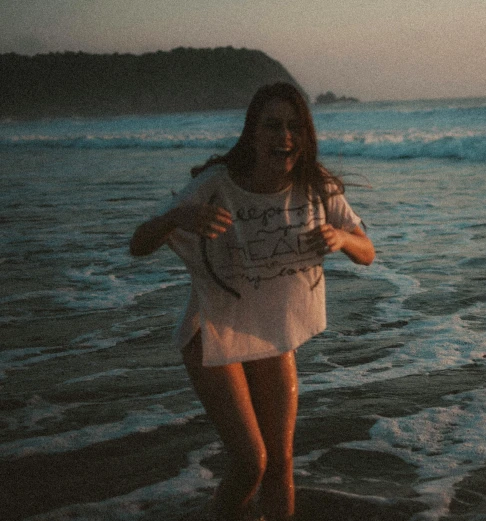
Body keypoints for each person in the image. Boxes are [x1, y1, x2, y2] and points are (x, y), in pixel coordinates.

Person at [129, 82, 375, 521]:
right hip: (212, 330)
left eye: (294, 126)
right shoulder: (216, 185)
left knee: (281, 463)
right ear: (253, 133)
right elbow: (138, 244)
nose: (285, 136)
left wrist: (341, 238)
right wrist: (176, 218)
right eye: (273, 125)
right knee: (251, 462)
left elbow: (368, 251)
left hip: (270, 330)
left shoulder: (317, 188)